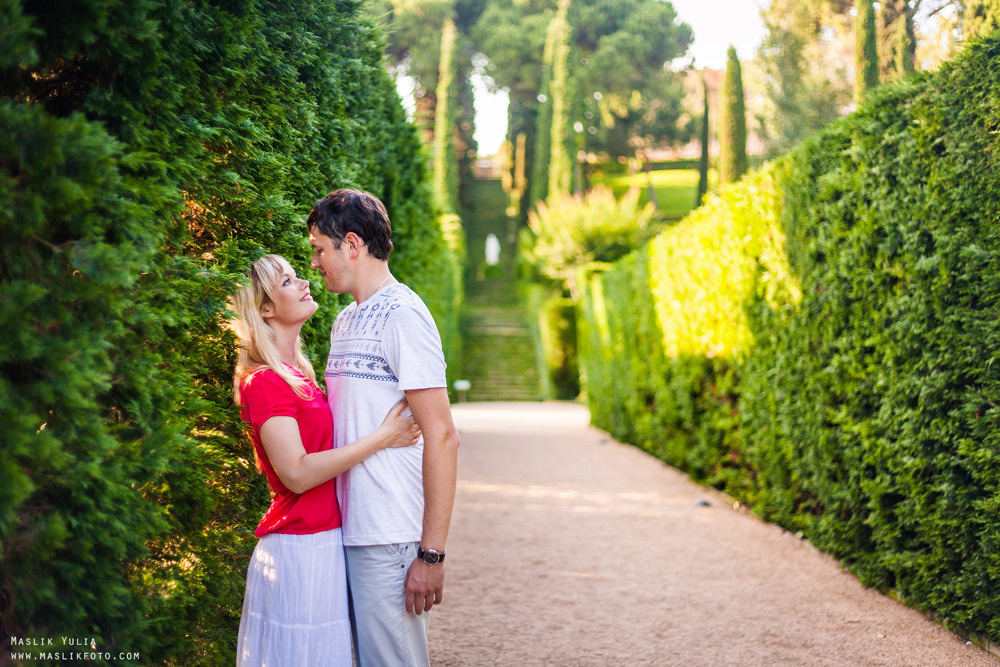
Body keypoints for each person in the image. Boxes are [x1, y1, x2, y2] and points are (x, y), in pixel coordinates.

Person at [230, 254, 422, 666]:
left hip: (323, 541)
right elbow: (297, 473)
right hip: (297, 546)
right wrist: (383, 438)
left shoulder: (297, 374)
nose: (304, 282)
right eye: (287, 281)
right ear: (265, 308)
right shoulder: (263, 380)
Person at [307, 189, 461, 666]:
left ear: (351, 245)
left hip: (390, 535)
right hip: (347, 530)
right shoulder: (345, 320)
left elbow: (442, 434)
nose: (314, 263)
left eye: (319, 249)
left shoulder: (403, 315)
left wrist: (431, 554)